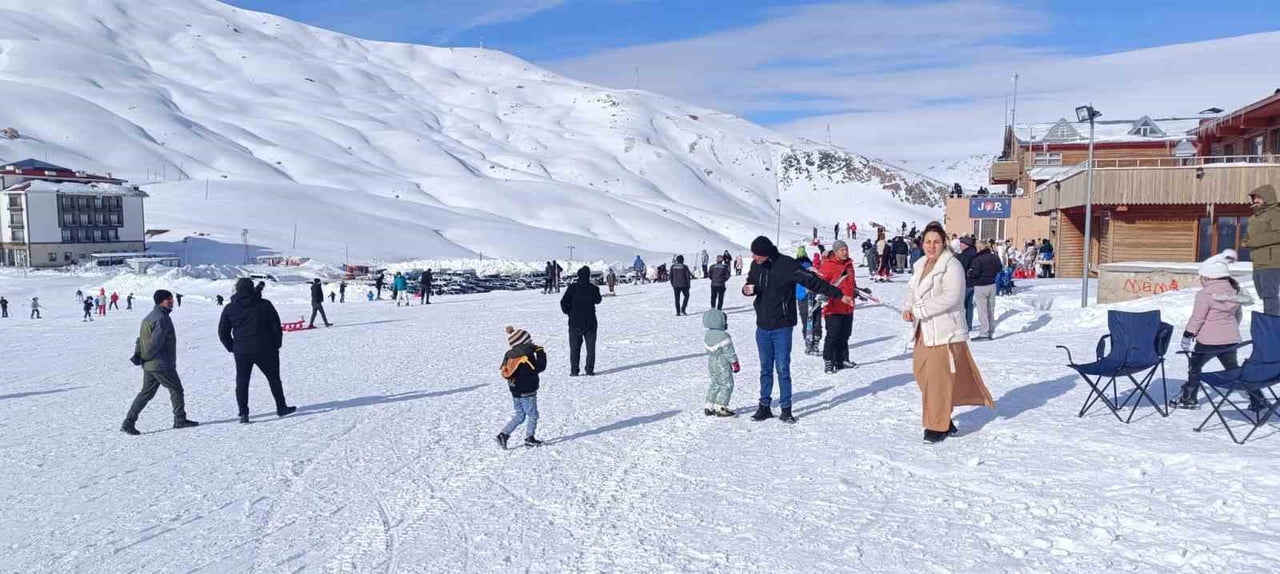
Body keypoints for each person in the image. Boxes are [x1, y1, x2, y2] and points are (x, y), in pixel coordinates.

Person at [902, 222, 995, 444]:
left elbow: (952, 296)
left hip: (945, 332)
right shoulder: (920, 264)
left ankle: (936, 426)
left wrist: (921, 310)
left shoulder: (952, 265)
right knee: (922, 374)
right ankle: (943, 415)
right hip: (923, 330)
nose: (931, 246)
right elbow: (912, 292)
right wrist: (908, 308)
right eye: (927, 242)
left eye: (936, 242)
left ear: (944, 242)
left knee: (937, 380)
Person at [742, 236, 850, 424]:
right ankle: (764, 406)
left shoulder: (787, 265)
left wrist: (839, 295)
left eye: (757, 254)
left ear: (766, 253)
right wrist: (746, 289)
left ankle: (786, 409)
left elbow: (813, 282)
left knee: (782, 368)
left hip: (782, 326)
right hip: (763, 326)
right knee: (765, 368)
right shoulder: (756, 265)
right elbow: (751, 283)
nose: (754, 257)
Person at [1174, 250, 1270, 411]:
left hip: (1207, 342)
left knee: (1195, 367)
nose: (1201, 279)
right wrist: (1229, 330)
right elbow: (1237, 316)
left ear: (1208, 277)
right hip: (1230, 340)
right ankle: (1258, 398)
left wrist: (1187, 335)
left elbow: (1198, 318)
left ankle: (1189, 398)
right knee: (1234, 369)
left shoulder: (1204, 294)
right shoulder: (1235, 291)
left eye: (1202, 276)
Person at [218, 278, 296, 424]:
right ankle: (281, 407)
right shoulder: (264, 304)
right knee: (274, 378)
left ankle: (244, 414)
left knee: (242, 382)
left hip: (242, 351)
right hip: (265, 348)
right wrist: (276, 345)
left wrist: (232, 347)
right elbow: (275, 327)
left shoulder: (230, 308)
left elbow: (223, 332)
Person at [122, 290, 199, 435]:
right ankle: (180, 419)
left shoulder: (149, 317)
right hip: (160, 363)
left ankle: (128, 422)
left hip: (150, 364)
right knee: (176, 389)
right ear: (160, 301)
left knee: (146, 393)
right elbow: (154, 343)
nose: (171, 301)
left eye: (171, 299)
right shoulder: (161, 318)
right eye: (168, 299)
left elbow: (140, 339)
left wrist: (139, 354)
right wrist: (145, 355)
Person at [496, 326, 547, 449]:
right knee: (532, 414)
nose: (531, 342)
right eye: (529, 340)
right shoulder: (526, 356)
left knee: (520, 415)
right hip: (527, 390)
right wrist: (540, 352)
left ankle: (503, 434)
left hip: (515, 390)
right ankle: (530, 438)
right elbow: (539, 367)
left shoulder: (510, 355)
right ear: (524, 342)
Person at [817, 240, 859, 372]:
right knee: (833, 335)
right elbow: (820, 284)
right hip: (833, 308)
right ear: (835, 252)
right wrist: (822, 294)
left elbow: (851, 282)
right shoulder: (828, 266)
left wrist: (857, 291)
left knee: (845, 334)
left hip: (848, 306)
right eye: (842, 250)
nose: (845, 252)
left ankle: (842, 359)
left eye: (846, 249)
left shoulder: (849, 265)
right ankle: (829, 361)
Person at [1245, 184, 1280, 315]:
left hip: (1272, 261)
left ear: (1267, 198)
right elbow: (1251, 235)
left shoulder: (1275, 214)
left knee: (1270, 294)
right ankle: (1271, 317)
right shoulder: (1254, 217)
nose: (1255, 200)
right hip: (1258, 261)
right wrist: (1245, 239)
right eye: (1254, 198)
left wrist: (1252, 242)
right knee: (1262, 292)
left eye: (1259, 198)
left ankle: (1271, 321)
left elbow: (1278, 234)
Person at [560, 266, 602, 377]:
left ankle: (574, 371)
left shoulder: (572, 288)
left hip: (575, 323)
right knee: (590, 348)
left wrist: (569, 312)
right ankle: (589, 370)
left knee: (574, 348)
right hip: (590, 322)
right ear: (589, 276)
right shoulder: (593, 288)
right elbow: (598, 300)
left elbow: (563, 302)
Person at [968, 239, 1002, 340]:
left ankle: (984, 333)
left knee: (982, 310)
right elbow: (999, 268)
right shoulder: (994, 257)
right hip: (992, 284)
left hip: (980, 286)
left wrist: (969, 273)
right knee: (991, 309)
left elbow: (975, 273)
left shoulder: (978, 259)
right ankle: (990, 331)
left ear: (979, 248)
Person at [955, 236, 978, 331]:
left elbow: (961, 269)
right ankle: (969, 324)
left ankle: (961, 325)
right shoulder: (975, 253)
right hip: (973, 283)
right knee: (969, 305)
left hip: (965, 282)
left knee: (960, 305)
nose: (960, 245)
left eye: (961, 243)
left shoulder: (965, 255)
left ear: (966, 245)